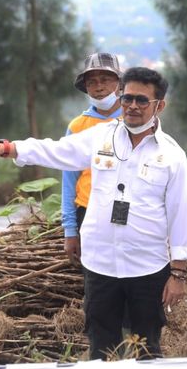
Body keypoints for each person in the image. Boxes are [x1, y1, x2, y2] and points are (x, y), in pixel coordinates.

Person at [0, 67, 187, 360]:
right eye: (128, 98)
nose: (132, 106)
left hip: (147, 268)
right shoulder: (100, 137)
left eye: (142, 100)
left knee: (147, 350)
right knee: (101, 349)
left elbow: (181, 215)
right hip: (100, 265)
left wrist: (178, 273)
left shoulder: (172, 155)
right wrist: (9, 148)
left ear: (160, 105)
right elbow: (57, 150)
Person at [63, 53, 124, 264]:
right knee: (95, 278)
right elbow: (69, 180)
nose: (99, 87)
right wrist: (70, 230)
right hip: (88, 212)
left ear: (119, 84)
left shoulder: (134, 120)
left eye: (106, 80)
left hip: (128, 211)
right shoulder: (77, 126)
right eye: (92, 82)